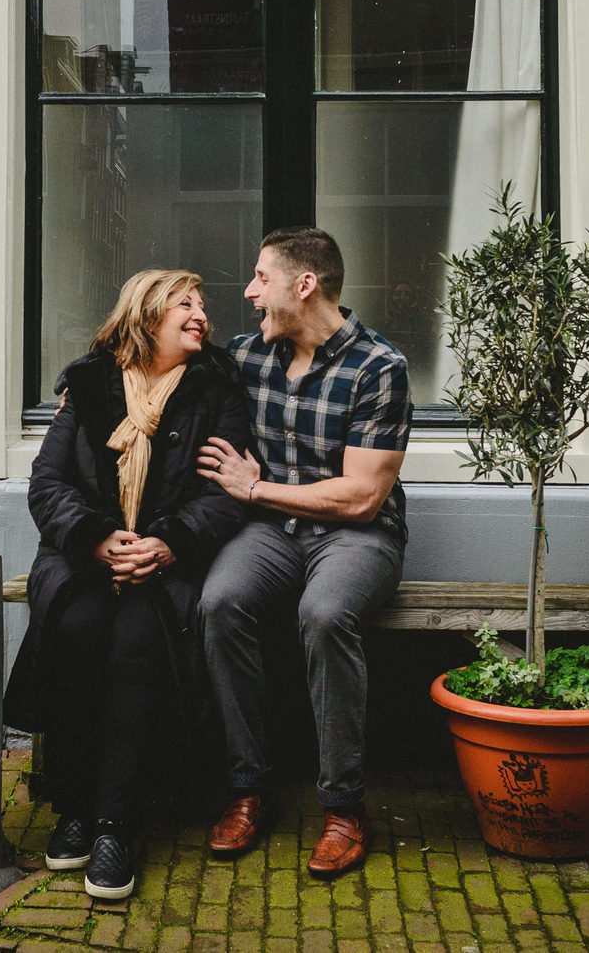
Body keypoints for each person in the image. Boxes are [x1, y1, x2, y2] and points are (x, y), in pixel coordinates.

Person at [4, 270, 251, 901]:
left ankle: (115, 822)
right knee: (80, 629)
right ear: (146, 316)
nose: (201, 315)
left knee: (138, 643)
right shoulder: (87, 384)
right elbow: (47, 484)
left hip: (167, 564)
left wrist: (168, 544)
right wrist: (94, 538)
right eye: (185, 305)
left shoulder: (217, 389)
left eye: (203, 306)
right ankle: (74, 809)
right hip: (87, 559)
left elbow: (224, 496)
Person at [196, 227, 412, 878]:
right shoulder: (246, 357)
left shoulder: (379, 367)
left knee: (324, 615)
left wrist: (256, 487)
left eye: (262, 277)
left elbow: (361, 498)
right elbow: (152, 359)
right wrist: (82, 393)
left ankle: (344, 808)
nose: (250, 291)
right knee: (220, 602)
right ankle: (247, 789)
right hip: (270, 532)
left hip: (357, 536)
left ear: (305, 285)